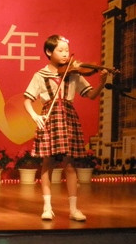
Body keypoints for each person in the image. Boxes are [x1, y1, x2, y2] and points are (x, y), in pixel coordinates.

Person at [23, 34, 111, 221]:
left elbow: (91, 95)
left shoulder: (74, 73)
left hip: (68, 117)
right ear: (49, 52)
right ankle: (47, 207)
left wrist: (102, 82)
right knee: (47, 164)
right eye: (60, 50)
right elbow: (27, 100)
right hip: (50, 118)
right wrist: (35, 116)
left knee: (70, 165)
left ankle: (73, 209)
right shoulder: (40, 75)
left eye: (67, 51)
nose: (65, 54)